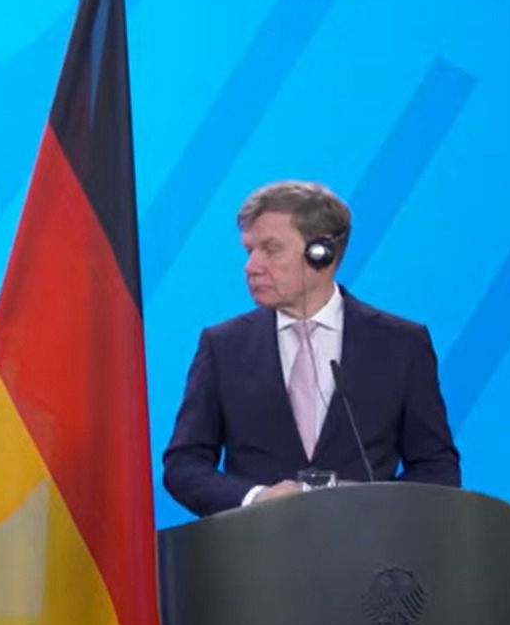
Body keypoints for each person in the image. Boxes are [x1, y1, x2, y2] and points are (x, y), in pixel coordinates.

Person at [162, 180, 460, 517]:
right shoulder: (223, 346)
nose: (251, 266)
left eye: (271, 249)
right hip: (257, 545)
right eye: (249, 251)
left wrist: (376, 508)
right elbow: (183, 466)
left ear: (321, 254)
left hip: (368, 546)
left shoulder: (401, 344)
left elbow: (436, 468)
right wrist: (256, 498)